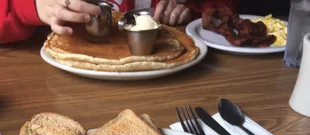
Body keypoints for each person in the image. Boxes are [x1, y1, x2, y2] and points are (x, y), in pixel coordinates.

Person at [0, 0, 238, 44]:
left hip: (166, 85)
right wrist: (30, 6)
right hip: (58, 89)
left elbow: (225, 11)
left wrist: (190, 8)